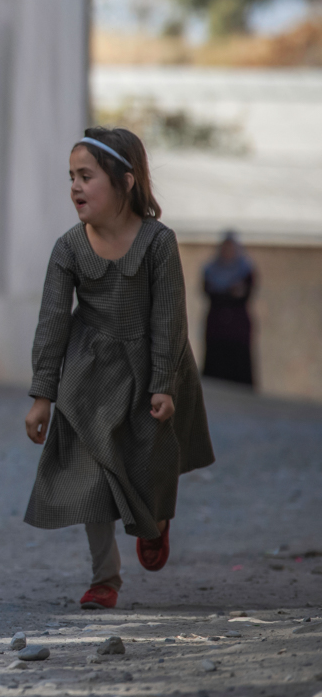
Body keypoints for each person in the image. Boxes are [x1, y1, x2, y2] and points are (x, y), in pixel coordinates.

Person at [23, 127, 215, 610]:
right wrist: (43, 394)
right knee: (92, 475)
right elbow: (52, 323)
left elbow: (169, 318)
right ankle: (104, 578)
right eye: (71, 177)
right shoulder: (68, 248)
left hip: (155, 363)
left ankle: (157, 519)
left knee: (149, 459)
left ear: (126, 182)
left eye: (86, 176)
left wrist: (164, 383)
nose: (75, 187)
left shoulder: (157, 243)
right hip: (91, 376)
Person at [201, 231, 256, 387]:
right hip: (216, 330)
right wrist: (230, 292)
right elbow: (210, 293)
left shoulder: (245, 269)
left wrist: (225, 293)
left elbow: (244, 294)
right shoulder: (211, 270)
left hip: (237, 331)